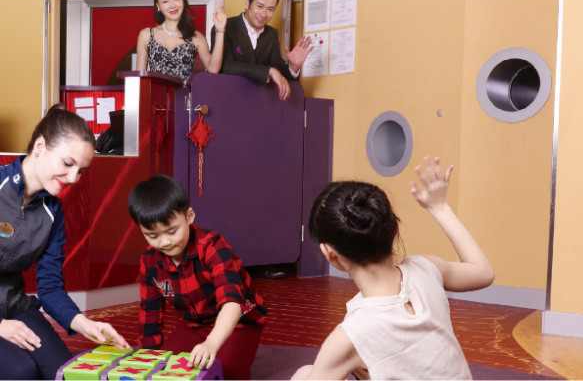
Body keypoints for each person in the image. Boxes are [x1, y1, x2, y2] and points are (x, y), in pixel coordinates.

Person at [292, 157, 495, 380]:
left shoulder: (349, 336)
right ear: (394, 229)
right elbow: (483, 273)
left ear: (330, 254)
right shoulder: (427, 268)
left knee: (304, 375)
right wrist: (440, 208)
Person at [0, 104, 131, 380]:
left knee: (63, 371)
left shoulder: (53, 211)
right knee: (21, 371)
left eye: (81, 170)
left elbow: (50, 287)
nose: (73, 178)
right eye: (68, 164)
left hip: (17, 307)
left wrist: (84, 324)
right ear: (40, 147)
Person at [128, 175, 267, 380]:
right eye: (152, 236)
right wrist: (148, 359)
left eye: (172, 231)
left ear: (189, 216)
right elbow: (150, 314)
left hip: (240, 320)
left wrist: (211, 343)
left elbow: (232, 303)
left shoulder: (212, 246)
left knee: (223, 370)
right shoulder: (149, 260)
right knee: (166, 371)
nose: (164, 242)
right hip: (193, 324)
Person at [212, 0, 313, 100]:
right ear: (247, 3)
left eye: (270, 9)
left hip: (257, 103)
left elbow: (278, 71)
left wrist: (293, 67)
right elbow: (225, 66)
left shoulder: (271, 34)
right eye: (260, 6)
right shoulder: (225, 27)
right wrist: (268, 71)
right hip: (227, 98)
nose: (264, 14)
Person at [136, 0, 227, 85]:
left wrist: (220, 29)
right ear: (158, 6)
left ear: (183, 1)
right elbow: (139, 78)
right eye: (165, 1)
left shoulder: (196, 37)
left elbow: (213, 69)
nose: (172, 5)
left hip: (185, 95)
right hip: (155, 95)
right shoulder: (146, 35)